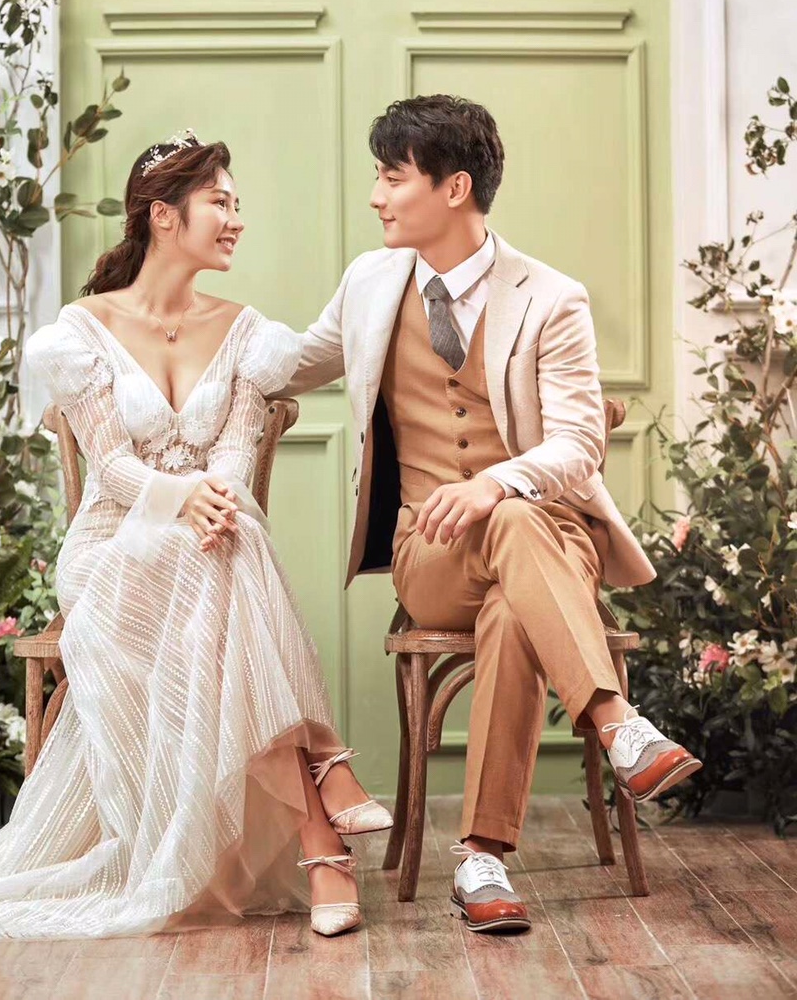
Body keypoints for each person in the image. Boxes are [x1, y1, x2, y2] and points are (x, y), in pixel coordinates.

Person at [0, 132, 390, 940]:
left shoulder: (247, 333)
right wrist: (183, 499)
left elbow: (234, 456)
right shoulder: (82, 330)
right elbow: (111, 468)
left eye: (237, 204)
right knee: (221, 547)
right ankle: (325, 781)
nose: (236, 218)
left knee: (227, 542)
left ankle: (320, 835)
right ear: (164, 216)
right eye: (220, 203)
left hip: (210, 541)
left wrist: (212, 500)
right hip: (112, 548)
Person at [279, 95, 701, 934]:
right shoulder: (370, 284)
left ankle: (481, 861)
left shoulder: (551, 298)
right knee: (508, 538)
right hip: (432, 555)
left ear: (454, 188)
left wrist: (495, 483)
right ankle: (617, 725)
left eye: (392, 177)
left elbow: (578, 445)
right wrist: (160, 330)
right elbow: (289, 362)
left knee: (514, 579)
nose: (376, 196)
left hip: (548, 537)